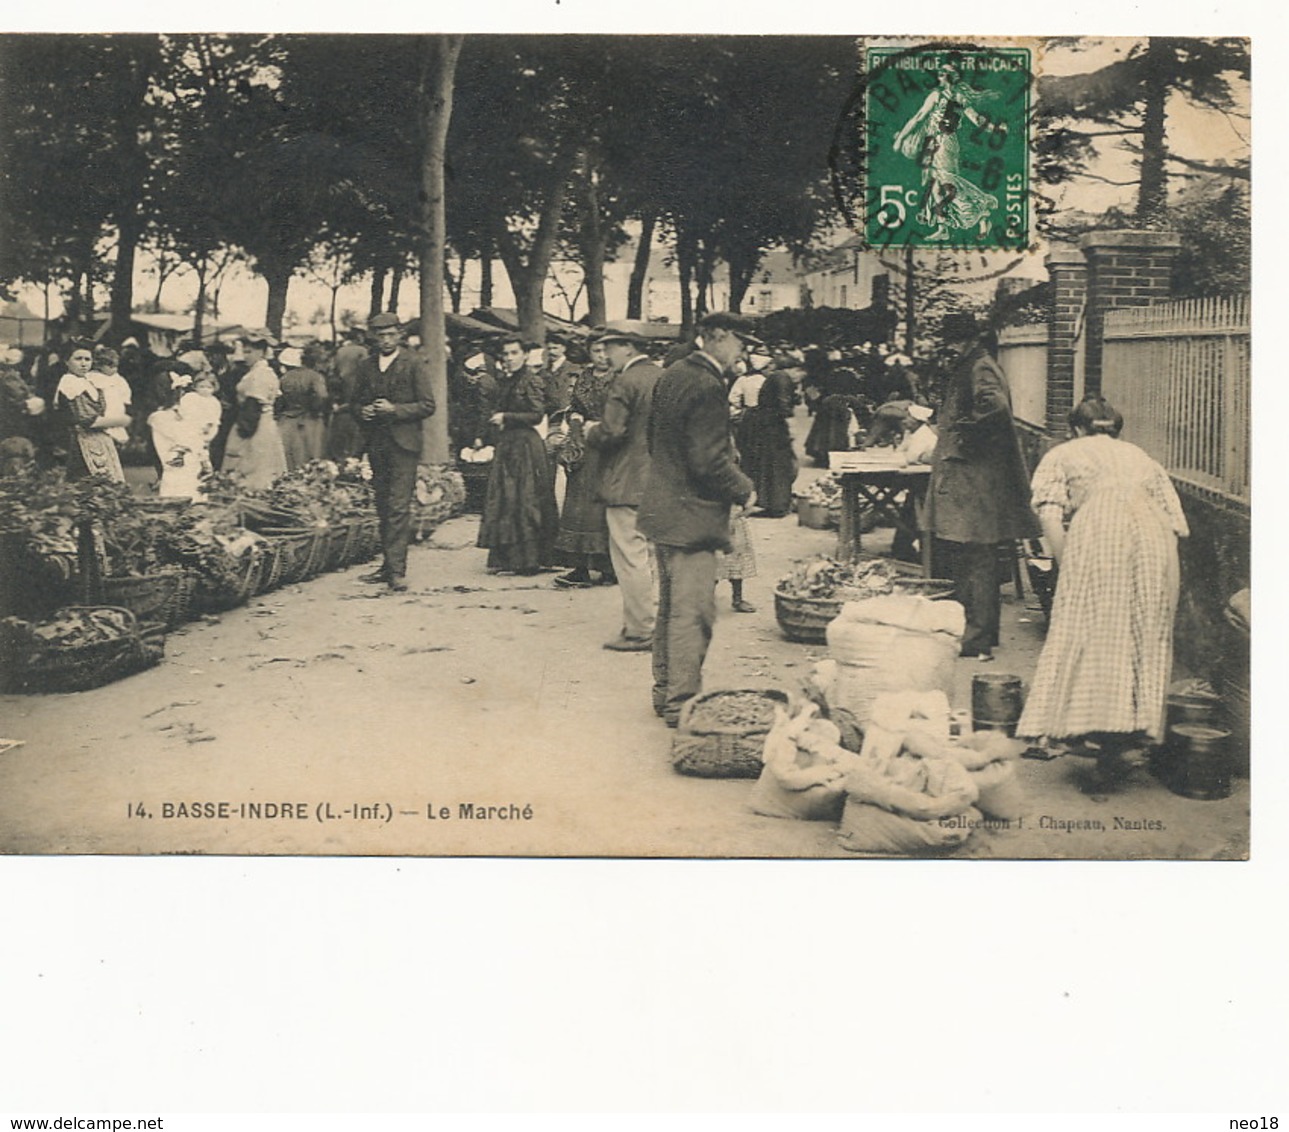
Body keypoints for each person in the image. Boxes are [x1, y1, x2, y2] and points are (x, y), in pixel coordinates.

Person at [1016, 397, 1190, 791]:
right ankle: (1126, 733)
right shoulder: (1141, 457)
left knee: (1092, 633)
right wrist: (1171, 588)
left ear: (1076, 428)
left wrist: (1066, 568)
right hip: (1155, 543)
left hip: (1099, 538)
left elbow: (1049, 516)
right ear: (1115, 428)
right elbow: (1175, 525)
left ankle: (1097, 734)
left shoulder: (1063, 454)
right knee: (1141, 635)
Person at [639, 312, 755, 725]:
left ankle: (663, 690)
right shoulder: (707, 384)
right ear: (718, 337)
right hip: (694, 516)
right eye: (740, 342)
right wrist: (743, 488)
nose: (743, 351)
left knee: (670, 607)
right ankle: (681, 703)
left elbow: (654, 440)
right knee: (694, 614)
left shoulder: (671, 373)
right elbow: (708, 460)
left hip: (663, 509)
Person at [927, 312, 1039, 660]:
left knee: (976, 555)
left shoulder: (979, 366)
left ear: (959, 340)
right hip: (974, 476)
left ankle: (976, 636)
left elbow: (994, 408)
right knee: (973, 555)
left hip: (975, 478)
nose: (948, 348)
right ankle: (977, 632)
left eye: (950, 341)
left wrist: (960, 438)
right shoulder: (974, 362)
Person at [584, 323, 662, 650]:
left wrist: (590, 430)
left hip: (626, 481)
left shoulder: (625, 382)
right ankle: (659, 622)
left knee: (630, 557)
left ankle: (641, 630)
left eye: (611, 347)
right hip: (659, 479)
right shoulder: (662, 376)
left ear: (629, 347)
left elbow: (612, 432)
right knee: (653, 556)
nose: (605, 354)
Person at [352, 312, 436, 592]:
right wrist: (362, 411)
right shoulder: (366, 366)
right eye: (380, 335)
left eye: (391, 334)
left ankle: (397, 571)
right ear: (373, 338)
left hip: (404, 445)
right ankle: (388, 565)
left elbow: (427, 405)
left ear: (399, 334)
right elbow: (354, 403)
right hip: (378, 444)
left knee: (399, 506)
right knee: (383, 507)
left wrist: (396, 410)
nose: (386, 340)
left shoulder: (413, 363)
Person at [893, 60, 1001, 242]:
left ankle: (983, 212)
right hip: (939, 143)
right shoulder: (959, 98)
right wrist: (994, 128)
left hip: (942, 144)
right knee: (938, 186)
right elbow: (978, 120)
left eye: (942, 74)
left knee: (948, 185)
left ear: (948, 77)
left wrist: (901, 138)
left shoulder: (938, 96)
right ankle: (944, 227)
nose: (939, 77)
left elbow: (918, 118)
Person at [477, 336, 558, 576]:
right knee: (508, 500)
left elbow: (536, 415)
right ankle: (510, 557)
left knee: (526, 500)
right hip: (509, 445)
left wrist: (506, 417)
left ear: (524, 355)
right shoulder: (508, 380)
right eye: (506, 354)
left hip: (525, 447)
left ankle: (531, 559)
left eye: (514, 353)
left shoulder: (530, 380)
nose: (510, 358)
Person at [552, 344, 615, 589]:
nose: (602, 355)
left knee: (603, 505)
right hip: (584, 449)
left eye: (604, 349)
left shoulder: (619, 378)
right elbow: (574, 406)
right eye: (596, 350)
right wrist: (575, 417)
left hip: (608, 448)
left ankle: (609, 567)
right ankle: (579, 567)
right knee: (578, 506)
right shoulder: (585, 376)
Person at [222, 334, 288, 490]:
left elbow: (254, 404)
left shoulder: (260, 374)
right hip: (264, 422)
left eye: (249, 352)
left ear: (261, 352)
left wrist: (242, 432)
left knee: (253, 466)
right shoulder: (261, 372)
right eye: (244, 352)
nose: (245, 356)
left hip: (255, 424)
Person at [54, 341, 126, 482]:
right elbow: (84, 416)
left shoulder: (88, 381)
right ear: (66, 361)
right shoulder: (70, 382)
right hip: (81, 439)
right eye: (78, 359)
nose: (83, 363)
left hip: (97, 438)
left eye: (87, 359)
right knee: (87, 481)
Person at [738, 355, 799, 518]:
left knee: (767, 463)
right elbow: (784, 404)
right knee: (778, 463)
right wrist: (791, 427)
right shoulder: (783, 378)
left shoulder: (776, 377)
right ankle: (778, 504)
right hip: (771, 426)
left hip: (762, 424)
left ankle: (770, 501)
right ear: (795, 369)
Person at [148, 365, 206, 500]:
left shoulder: (183, 414)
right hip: (177, 462)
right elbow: (183, 438)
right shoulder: (160, 417)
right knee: (179, 491)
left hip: (189, 462)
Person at [275, 345, 330, 470]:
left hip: (287, 419)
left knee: (289, 458)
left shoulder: (284, 378)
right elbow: (322, 395)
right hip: (310, 420)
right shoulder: (315, 376)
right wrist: (314, 408)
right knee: (312, 457)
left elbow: (278, 400)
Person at [326, 329, 368, 461]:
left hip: (341, 384)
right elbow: (365, 368)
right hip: (356, 385)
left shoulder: (340, 351)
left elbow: (333, 369)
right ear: (359, 337)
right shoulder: (362, 351)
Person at [88, 346, 133, 452]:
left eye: (116, 366)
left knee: (117, 429)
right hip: (104, 409)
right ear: (99, 365)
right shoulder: (92, 377)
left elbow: (125, 394)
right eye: (110, 366)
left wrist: (125, 401)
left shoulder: (118, 379)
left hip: (116, 407)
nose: (114, 369)